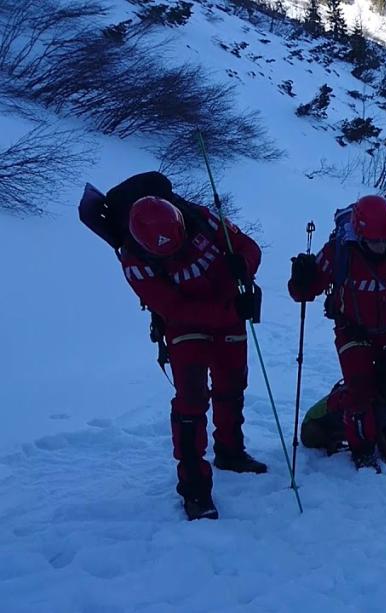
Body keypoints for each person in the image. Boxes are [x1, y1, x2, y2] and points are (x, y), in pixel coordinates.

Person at [115, 173, 266, 521]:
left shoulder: (199, 216)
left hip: (228, 313)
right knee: (191, 402)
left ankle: (230, 450)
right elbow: (175, 308)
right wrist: (232, 307)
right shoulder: (134, 260)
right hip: (186, 328)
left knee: (232, 385)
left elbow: (249, 247)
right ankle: (195, 488)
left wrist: (242, 267)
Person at [288, 195, 386, 470]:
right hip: (352, 329)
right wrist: (302, 279)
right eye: (374, 240)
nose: (380, 245)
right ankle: (363, 450)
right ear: (360, 234)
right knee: (360, 390)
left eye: (384, 238)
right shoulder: (340, 250)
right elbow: (304, 291)